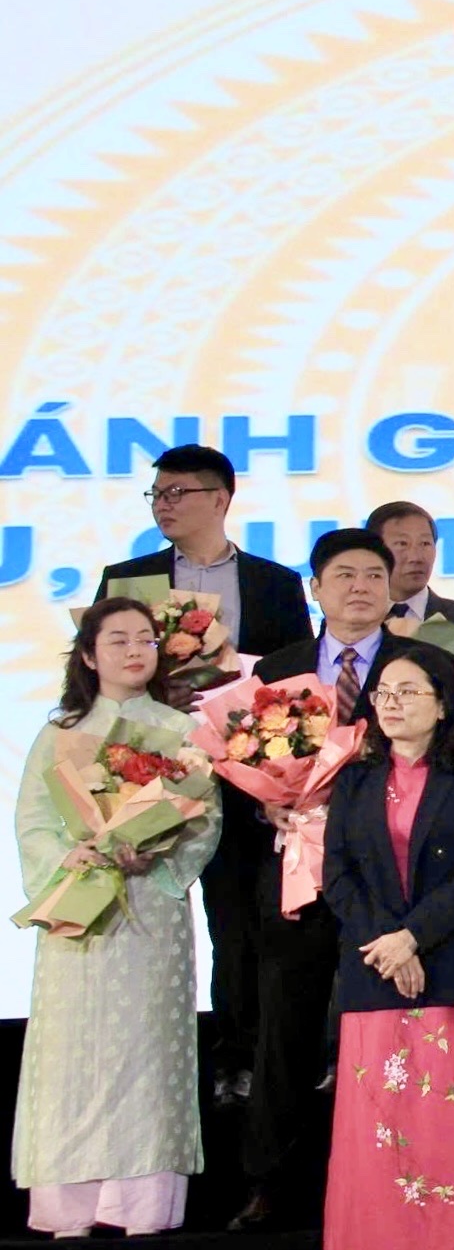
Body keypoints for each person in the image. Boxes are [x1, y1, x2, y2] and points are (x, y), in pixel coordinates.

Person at [94, 443, 311, 1110]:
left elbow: (295, 680)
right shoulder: (129, 578)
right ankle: (142, 1062)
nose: (163, 505)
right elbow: (96, 675)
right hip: (150, 772)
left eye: (177, 493)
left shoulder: (273, 582)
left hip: (245, 778)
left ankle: (240, 1058)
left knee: (240, 924)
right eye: (156, 494)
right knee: (147, 914)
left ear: (219, 499)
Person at [316, 642, 454, 1250]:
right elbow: (337, 874)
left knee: (448, 1128)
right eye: (384, 693)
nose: (392, 703)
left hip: (452, 968)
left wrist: (414, 937)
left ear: (442, 703)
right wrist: (388, 943)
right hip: (373, 971)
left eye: (408, 691)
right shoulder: (353, 780)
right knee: (378, 1131)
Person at [12, 600, 221, 1238]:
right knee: (72, 1050)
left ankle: (142, 1208)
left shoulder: (184, 730)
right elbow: (32, 820)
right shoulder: (60, 732)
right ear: (88, 654)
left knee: (147, 1049)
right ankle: (69, 1209)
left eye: (145, 640)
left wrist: (157, 857)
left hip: (151, 908)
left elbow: (206, 819)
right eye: (118, 640)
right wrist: (70, 856)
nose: (134, 651)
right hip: (79, 907)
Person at [230, 528, 412, 1232]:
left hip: (389, 877)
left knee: (387, 1032)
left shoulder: (421, 664)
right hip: (297, 876)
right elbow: (239, 759)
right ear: (315, 588)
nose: (360, 587)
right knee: (285, 1028)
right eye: (344, 575)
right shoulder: (277, 668)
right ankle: (270, 1181)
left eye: (373, 575)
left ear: (391, 589)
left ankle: (394, 1178)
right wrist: (265, 802)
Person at [367, 499, 454, 738]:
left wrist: (444, 745)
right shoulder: (356, 620)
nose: (416, 556)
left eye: (425, 543)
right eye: (402, 544)